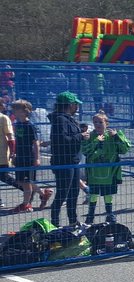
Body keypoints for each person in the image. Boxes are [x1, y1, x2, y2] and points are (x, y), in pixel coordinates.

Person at [81, 111, 130, 224]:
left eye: (100, 122)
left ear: (106, 123)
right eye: (95, 122)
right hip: (94, 173)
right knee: (93, 194)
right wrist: (95, 143)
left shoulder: (113, 135)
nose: (97, 124)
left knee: (108, 194)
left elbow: (125, 149)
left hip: (109, 173)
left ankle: (110, 214)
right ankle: (90, 216)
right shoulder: (90, 136)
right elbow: (86, 151)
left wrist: (117, 136)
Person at [49, 91, 87, 227]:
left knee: (73, 193)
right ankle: (54, 223)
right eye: (75, 104)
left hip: (73, 160)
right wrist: (81, 136)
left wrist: (80, 133)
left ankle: (73, 221)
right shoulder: (60, 119)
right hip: (64, 162)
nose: (77, 106)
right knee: (62, 193)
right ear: (70, 105)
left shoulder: (67, 118)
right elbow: (63, 140)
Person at [9, 100, 50, 212]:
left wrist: (37, 158)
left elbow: (35, 143)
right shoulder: (17, 124)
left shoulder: (30, 126)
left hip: (28, 157)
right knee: (21, 181)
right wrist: (14, 154)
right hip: (20, 157)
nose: (13, 112)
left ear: (24, 111)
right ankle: (43, 194)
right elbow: (17, 141)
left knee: (27, 182)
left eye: (16, 109)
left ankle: (25, 204)